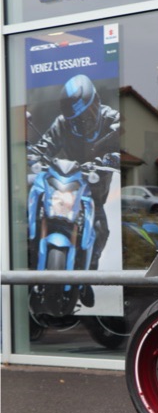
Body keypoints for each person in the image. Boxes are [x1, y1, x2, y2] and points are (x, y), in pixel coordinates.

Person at [29, 73, 121, 308]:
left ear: (97, 104)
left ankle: (86, 276)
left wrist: (113, 157)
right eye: (76, 119)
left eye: (87, 114)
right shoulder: (62, 124)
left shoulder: (112, 120)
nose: (83, 122)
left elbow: (127, 146)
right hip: (65, 186)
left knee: (101, 230)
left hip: (93, 191)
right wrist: (32, 156)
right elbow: (45, 146)